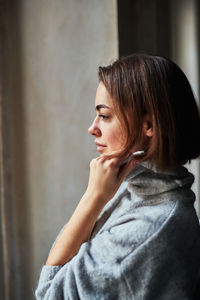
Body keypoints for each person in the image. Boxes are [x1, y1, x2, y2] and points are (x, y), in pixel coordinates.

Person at [35, 54, 200, 299]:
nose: (93, 128)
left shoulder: (148, 231)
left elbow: (49, 293)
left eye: (105, 115)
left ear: (149, 126)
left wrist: (92, 198)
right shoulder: (130, 184)